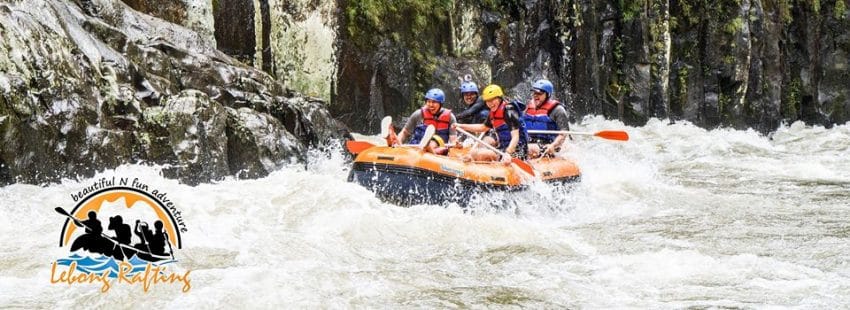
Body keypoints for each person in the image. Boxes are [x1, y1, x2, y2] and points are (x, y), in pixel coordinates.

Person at [454, 84, 529, 163]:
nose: (490, 103)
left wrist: (508, 153)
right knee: (474, 152)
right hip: (503, 148)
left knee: (482, 154)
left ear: (500, 98)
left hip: (517, 150)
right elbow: (483, 127)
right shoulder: (493, 113)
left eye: (492, 100)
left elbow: (515, 137)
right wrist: (460, 126)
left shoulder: (509, 110)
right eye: (487, 101)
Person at [522, 79, 570, 157]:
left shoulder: (558, 110)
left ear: (547, 94)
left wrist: (553, 145)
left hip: (548, 144)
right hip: (529, 141)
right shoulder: (527, 107)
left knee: (530, 149)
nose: (535, 96)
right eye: (534, 93)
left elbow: (564, 133)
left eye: (539, 94)